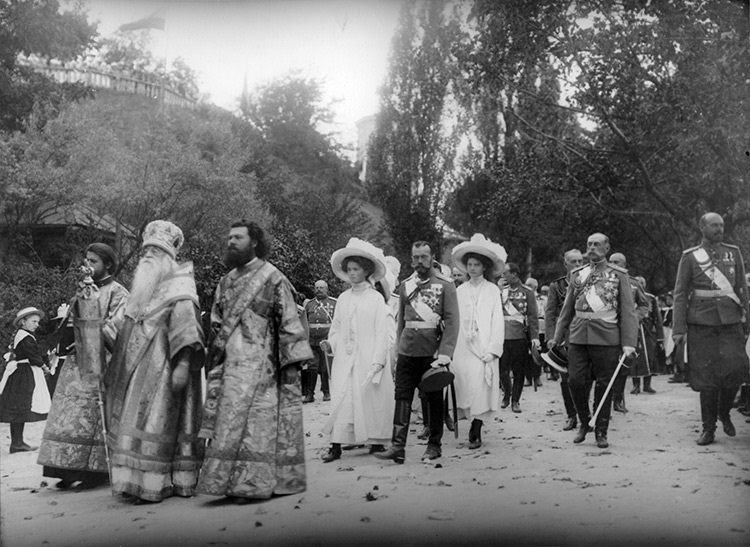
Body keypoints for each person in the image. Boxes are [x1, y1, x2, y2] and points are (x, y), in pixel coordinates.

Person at [197, 220, 313, 502]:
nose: (231, 242)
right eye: (229, 237)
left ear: (255, 242)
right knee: (228, 423)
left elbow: (289, 321)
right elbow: (216, 321)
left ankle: (253, 484)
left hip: (264, 367)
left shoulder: (273, 278)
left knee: (257, 425)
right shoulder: (225, 281)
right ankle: (227, 483)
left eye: (238, 237)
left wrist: (291, 364)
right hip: (230, 367)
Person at [104, 221, 205, 503]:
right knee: (132, 425)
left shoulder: (180, 284)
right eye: (145, 250)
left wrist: (183, 364)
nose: (148, 255)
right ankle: (130, 482)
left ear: (168, 257)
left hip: (164, 368)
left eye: (155, 251)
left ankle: (154, 484)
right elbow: (119, 326)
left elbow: (188, 327)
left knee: (157, 425)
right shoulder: (141, 286)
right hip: (133, 370)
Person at [38, 243, 129, 490]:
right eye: (86, 260)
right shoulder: (83, 289)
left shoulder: (119, 292)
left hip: (101, 360)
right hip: (76, 360)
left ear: (107, 264)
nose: (87, 266)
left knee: (93, 417)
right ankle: (64, 468)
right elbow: (70, 321)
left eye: (93, 261)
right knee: (67, 415)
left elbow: (118, 325)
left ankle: (94, 473)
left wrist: (94, 332)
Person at [551, 233, 638, 449]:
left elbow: (628, 311)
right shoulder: (578, 274)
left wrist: (628, 343)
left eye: (597, 244)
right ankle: (584, 420)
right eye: (589, 244)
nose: (591, 248)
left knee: (604, 385)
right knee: (575, 381)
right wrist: (557, 337)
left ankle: (601, 430)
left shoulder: (619, 275)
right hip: (579, 335)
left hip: (607, 336)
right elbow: (567, 309)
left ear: (607, 248)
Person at [375, 240, 459, 463]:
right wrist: (398, 350)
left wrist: (445, 352)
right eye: (415, 257)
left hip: (432, 352)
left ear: (432, 258)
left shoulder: (445, 285)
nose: (419, 261)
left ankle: (434, 445)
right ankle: (398, 446)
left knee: (434, 398)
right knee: (402, 396)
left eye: (423, 257)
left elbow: (452, 322)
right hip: (407, 350)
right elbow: (401, 322)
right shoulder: (406, 285)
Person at [672, 212, 750, 446]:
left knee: (735, 371)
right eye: (714, 225)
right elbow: (680, 294)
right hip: (701, 322)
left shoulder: (733, 252)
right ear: (702, 228)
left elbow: (742, 289)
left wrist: (748, 319)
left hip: (730, 322)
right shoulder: (690, 257)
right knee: (707, 378)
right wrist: (678, 329)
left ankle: (724, 412)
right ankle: (709, 428)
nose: (719, 229)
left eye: (721, 225)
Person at [319, 238, 395, 462]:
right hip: (345, 358)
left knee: (368, 399)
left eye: (356, 269)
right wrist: (330, 343)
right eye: (349, 269)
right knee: (343, 399)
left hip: (368, 357)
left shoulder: (376, 299)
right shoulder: (343, 299)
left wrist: (378, 360)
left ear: (366, 271)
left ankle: (375, 440)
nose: (352, 274)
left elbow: (382, 333)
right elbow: (337, 328)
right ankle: (336, 445)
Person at [450, 234, 506, 449]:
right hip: (464, 345)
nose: (472, 269)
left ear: (484, 267)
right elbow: (454, 319)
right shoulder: (459, 291)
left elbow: (497, 320)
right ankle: (467, 418)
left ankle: (477, 427)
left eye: (477, 265)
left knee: (481, 385)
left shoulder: (492, 290)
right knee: (464, 383)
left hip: (484, 345)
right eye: (470, 265)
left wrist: (493, 348)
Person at [0, 307, 52, 453]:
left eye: (38, 322)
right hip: (23, 375)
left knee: (20, 408)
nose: (37, 325)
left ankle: (18, 442)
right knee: (19, 407)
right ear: (23, 322)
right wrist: (44, 367)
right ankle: (16, 443)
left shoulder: (24, 335)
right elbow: (33, 356)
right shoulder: (24, 337)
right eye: (34, 321)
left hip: (23, 372)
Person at [545, 249, 585, 431]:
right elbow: (551, 313)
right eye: (573, 262)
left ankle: (584, 413)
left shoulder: (590, 282)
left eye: (580, 261)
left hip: (584, 335)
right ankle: (571, 415)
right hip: (564, 338)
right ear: (565, 264)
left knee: (584, 378)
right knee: (566, 378)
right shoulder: (557, 286)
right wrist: (552, 338)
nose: (577, 265)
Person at [607, 252, 650, 413]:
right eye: (610, 261)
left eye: (616, 262)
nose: (613, 264)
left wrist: (634, 318)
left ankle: (618, 399)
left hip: (625, 329)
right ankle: (605, 401)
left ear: (625, 265)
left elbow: (644, 304)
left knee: (624, 363)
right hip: (606, 327)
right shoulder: (601, 280)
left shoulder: (633, 283)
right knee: (606, 364)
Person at [499, 263, 541, 413]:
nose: (503, 276)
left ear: (514, 274)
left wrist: (535, 337)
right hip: (502, 335)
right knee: (502, 370)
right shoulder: (501, 292)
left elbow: (532, 316)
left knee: (519, 370)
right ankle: (507, 394)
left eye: (505, 273)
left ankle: (515, 400)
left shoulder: (527, 292)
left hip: (519, 336)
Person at [303, 280, 337, 403]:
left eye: (321, 287)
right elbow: (305, 322)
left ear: (326, 289)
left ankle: (326, 392)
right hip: (312, 341)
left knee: (324, 367)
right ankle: (309, 394)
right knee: (311, 367)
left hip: (326, 340)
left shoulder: (334, 303)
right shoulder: (309, 305)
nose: (319, 289)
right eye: (317, 287)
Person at [630, 275, 665, 391]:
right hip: (635, 330)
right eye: (638, 282)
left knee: (650, 357)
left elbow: (657, 318)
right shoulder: (630, 296)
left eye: (642, 283)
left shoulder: (651, 298)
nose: (640, 284)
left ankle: (647, 385)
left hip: (648, 331)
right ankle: (636, 386)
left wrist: (660, 337)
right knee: (636, 358)